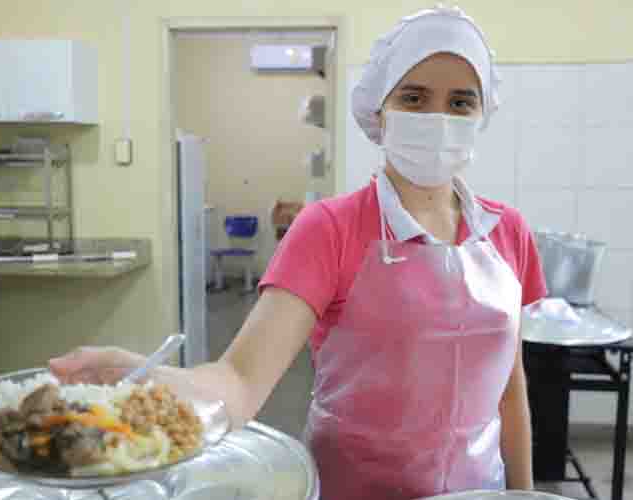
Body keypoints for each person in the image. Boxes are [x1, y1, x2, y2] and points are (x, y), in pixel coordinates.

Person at [50, 6, 547, 499]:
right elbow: (240, 380)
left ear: (482, 113)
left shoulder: (509, 232)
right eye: (414, 98)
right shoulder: (329, 229)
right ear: (381, 111)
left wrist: (524, 495)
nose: (437, 119)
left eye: (460, 102)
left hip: (480, 492)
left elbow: (511, 389)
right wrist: (147, 380)